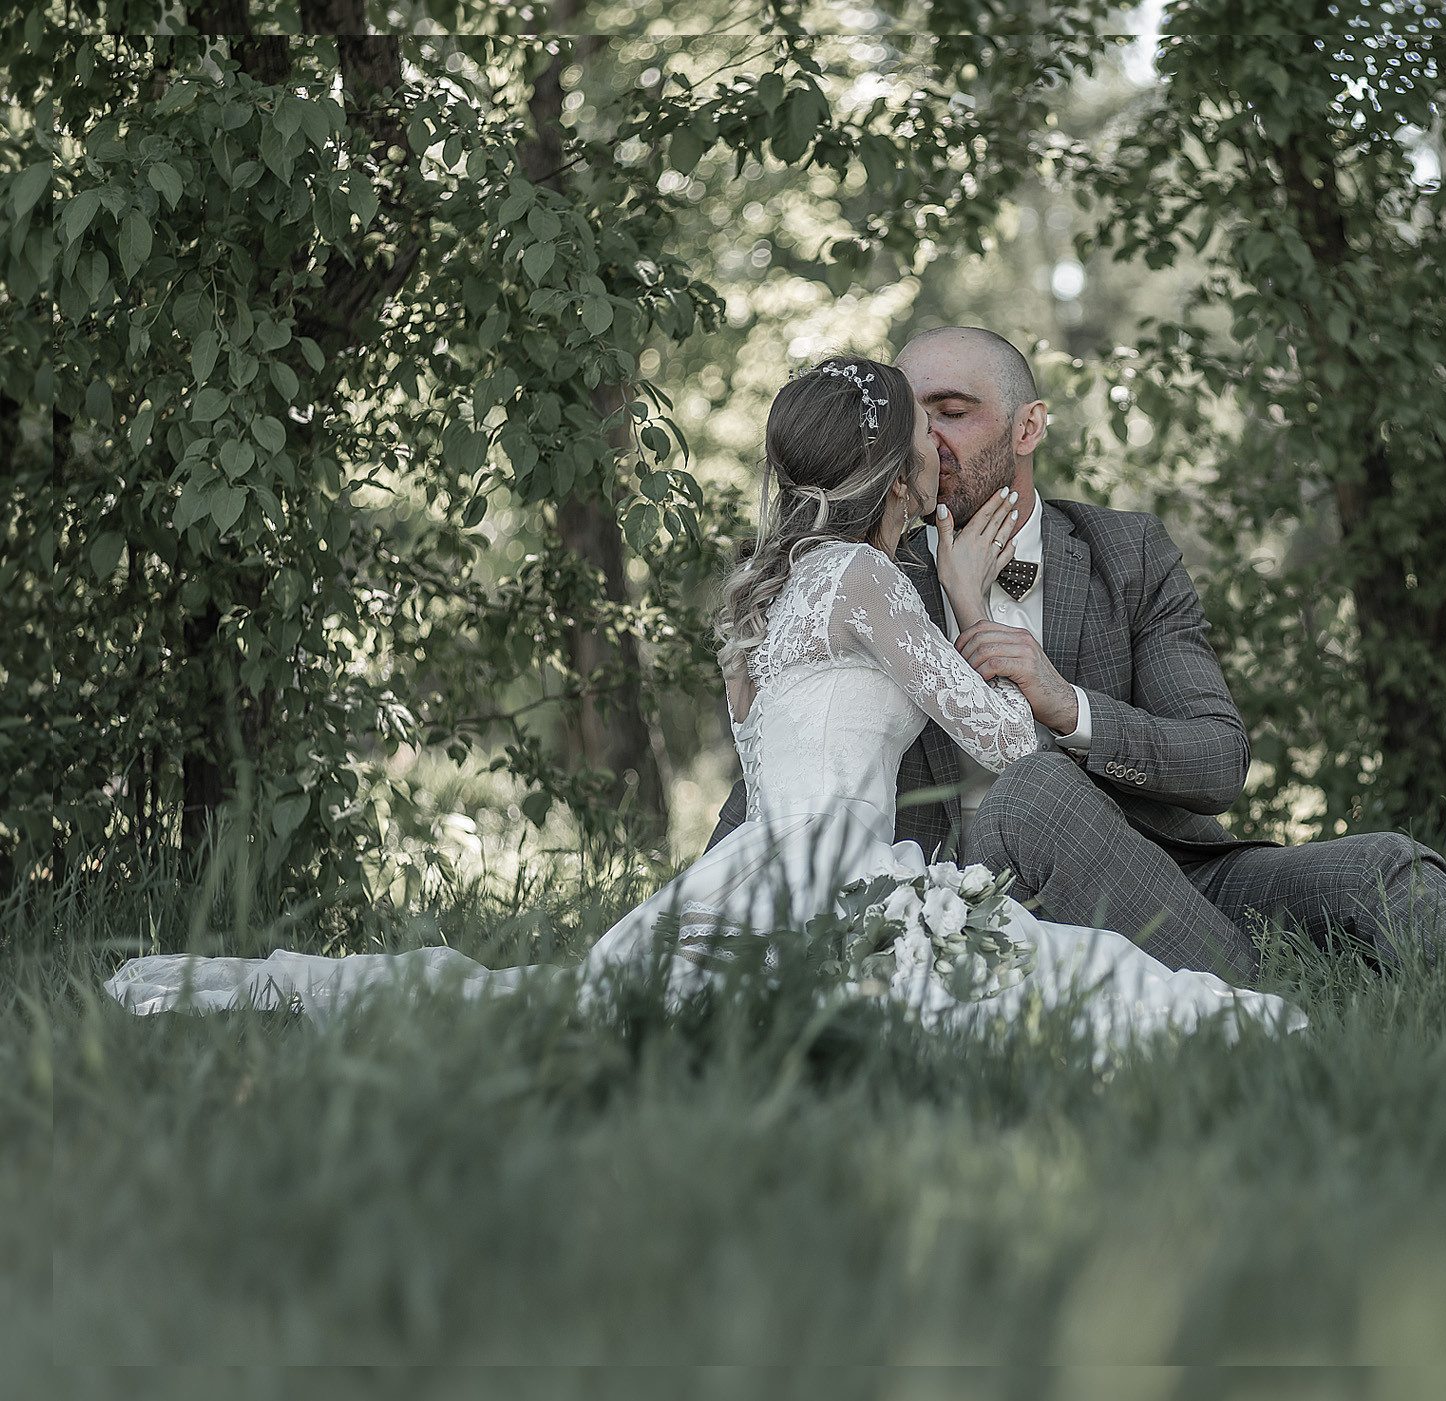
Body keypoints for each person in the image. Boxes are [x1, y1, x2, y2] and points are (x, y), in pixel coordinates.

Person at [104, 356, 1305, 1044]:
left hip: (755, 871)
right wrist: (960, 590)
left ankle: (237, 988)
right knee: (1107, 1007)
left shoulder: (763, 588)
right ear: (895, 474)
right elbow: (998, 739)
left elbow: (758, 744)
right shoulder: (870, 585)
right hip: (847, 880)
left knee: (560, 1004)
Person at [706, 329, 1446, 1003]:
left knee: (1376, 864)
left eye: (956, 411)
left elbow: (1217, 761)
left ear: (1029, 425)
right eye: (914, 415)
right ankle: (1273, 999)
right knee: (1033, 790)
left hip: (1181, 875)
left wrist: (1067, 700)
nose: (931, 442)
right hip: (990, 897)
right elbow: (786, 774)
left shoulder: (1126, 554)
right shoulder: (864, 578)